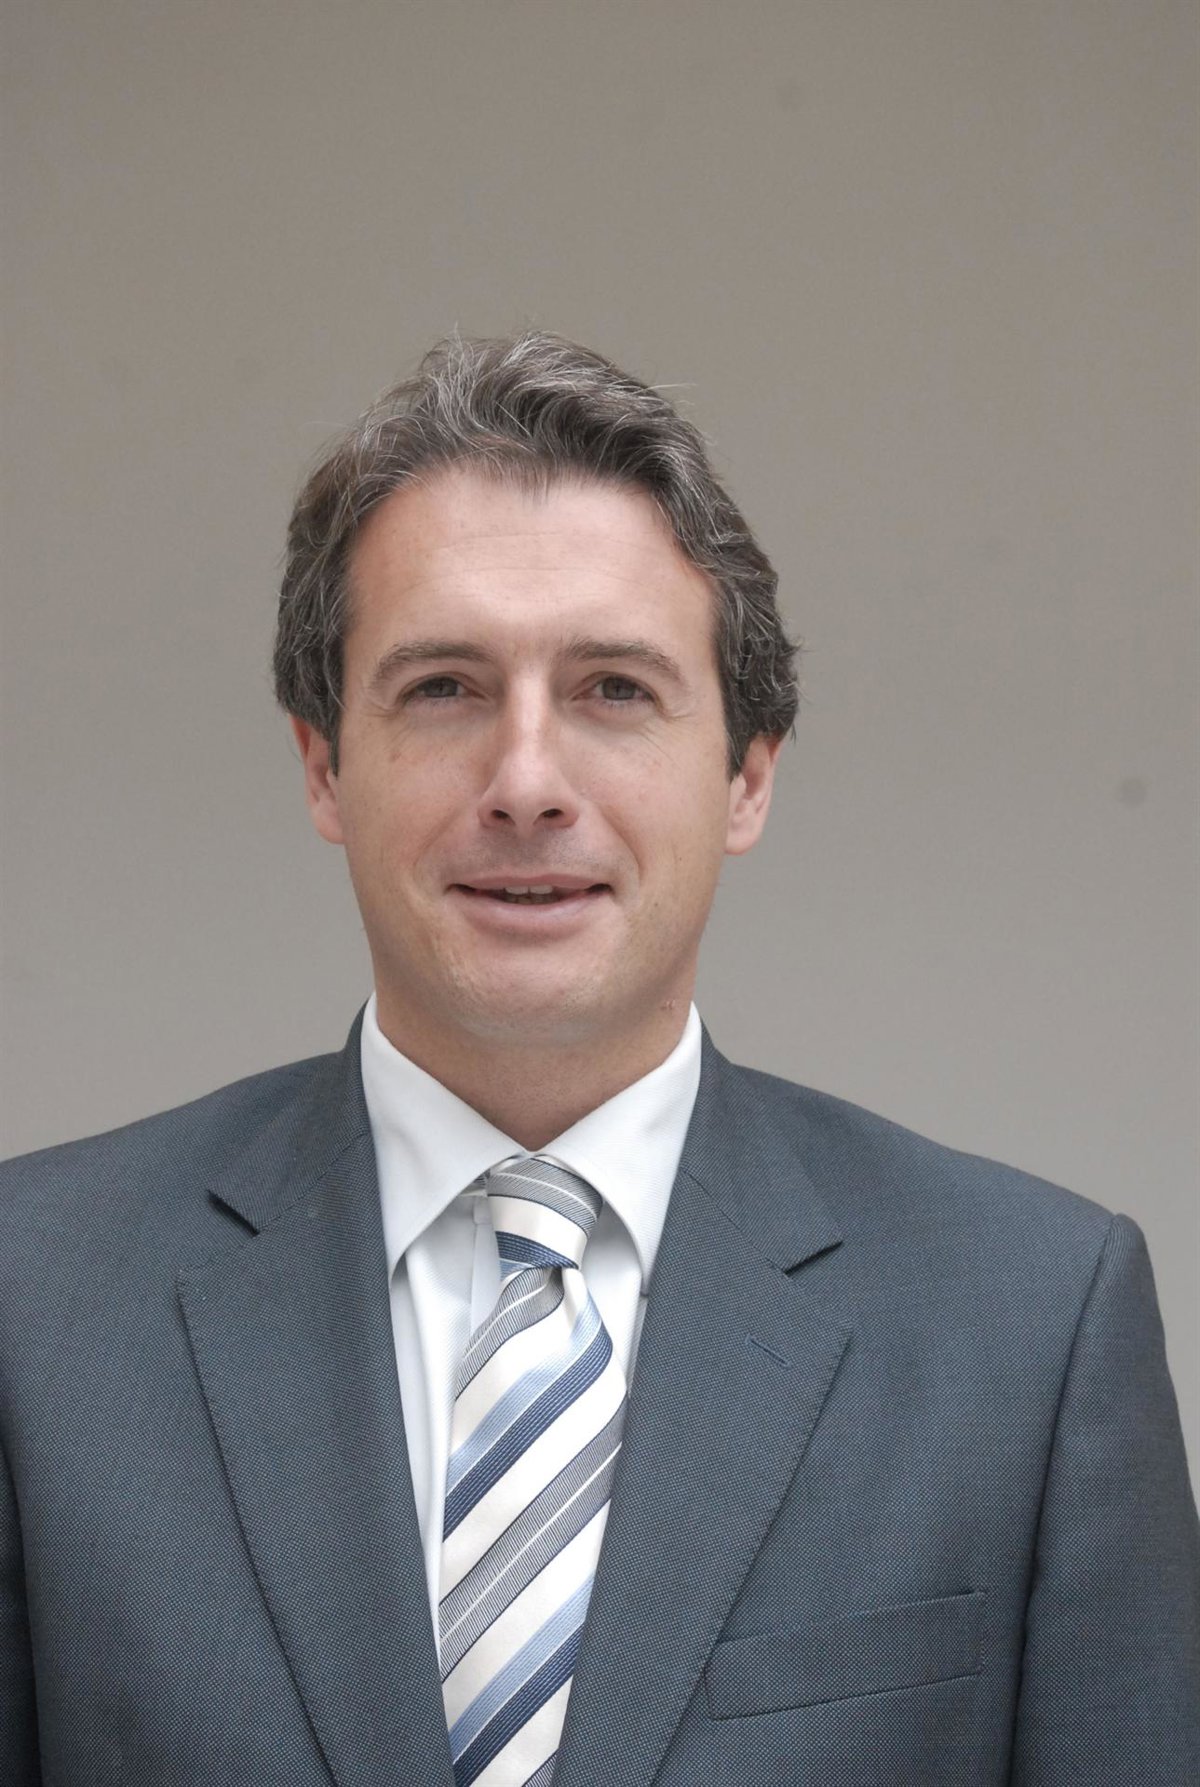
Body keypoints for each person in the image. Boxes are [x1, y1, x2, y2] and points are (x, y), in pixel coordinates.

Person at [1, 333, 1196, 1787]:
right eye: (444, 688)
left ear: (747, 775)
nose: (527, 784)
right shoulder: (32, 1305)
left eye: (615, 690)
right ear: (323, 765)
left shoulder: (1030, 1326)